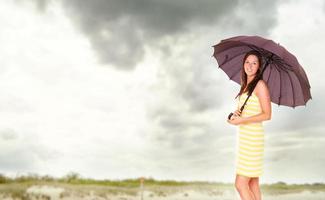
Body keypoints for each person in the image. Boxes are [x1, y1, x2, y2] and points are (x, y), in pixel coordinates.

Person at [227, 50, 272, 200]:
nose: (250, 66)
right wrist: (236, 116)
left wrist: (242, 120)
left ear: (259, 66)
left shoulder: (260, 85)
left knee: (240, 184)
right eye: (247, 62)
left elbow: (267, 114)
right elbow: (247, 111)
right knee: (252, 184)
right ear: (243, 64)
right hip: (245, 138)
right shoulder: (245, 85)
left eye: (254, 63)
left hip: (253, 138)